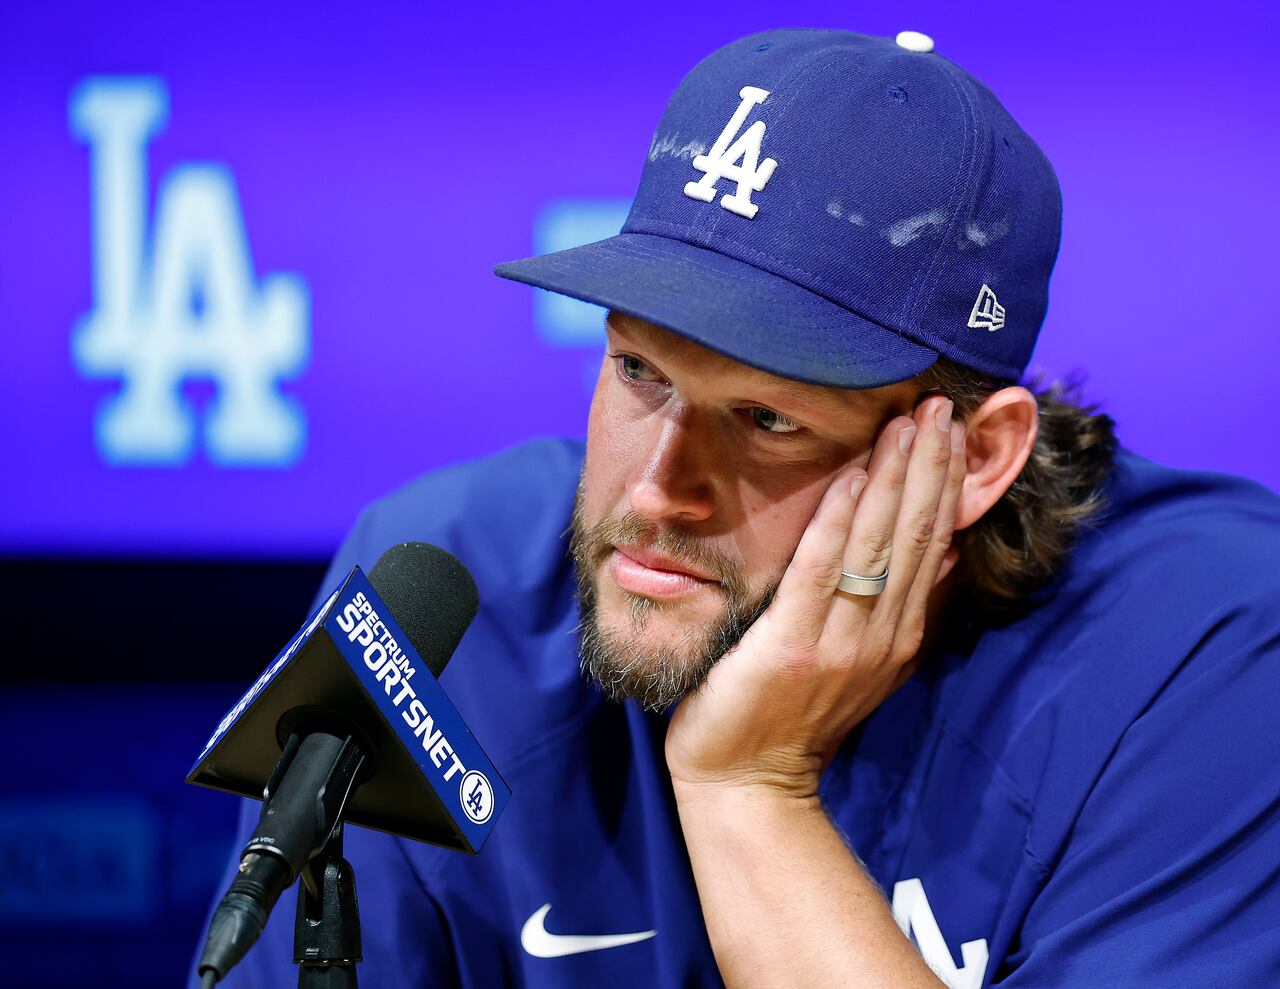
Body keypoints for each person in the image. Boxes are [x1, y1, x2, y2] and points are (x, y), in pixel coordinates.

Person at [195, 28, 1280, 987]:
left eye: (765, 418)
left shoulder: (1209, 651)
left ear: (975, 455)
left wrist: (748, 787)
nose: (657, 485)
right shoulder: (448, 591)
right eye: (636, 371)